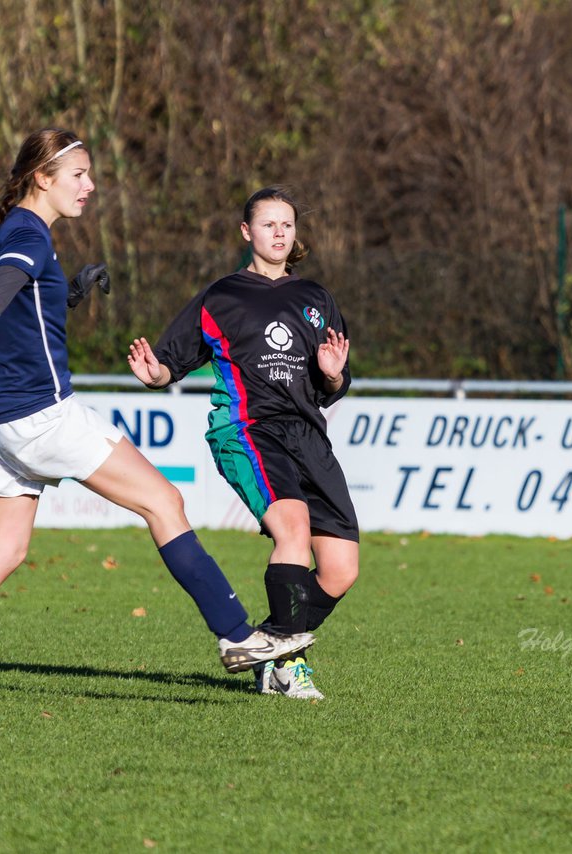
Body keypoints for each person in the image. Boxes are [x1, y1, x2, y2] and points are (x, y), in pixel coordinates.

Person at [0, 130, 313, 704]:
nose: (90, 185)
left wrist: (70, 293)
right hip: (41, 417)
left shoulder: (16, 231)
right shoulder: (28, 234)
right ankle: (238, 639)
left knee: (1, 553)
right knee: (164, 502)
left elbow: (18, 304)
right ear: (43, 177)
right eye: (79, 174)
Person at [127, 186, 359, 700]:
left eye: (288, 225)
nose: (280, 233)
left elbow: (334, 386)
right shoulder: (222, 296)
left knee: (341, 569)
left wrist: (333, 375)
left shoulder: (316, 298)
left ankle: (265, 645)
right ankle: (288, 669)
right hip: (248, 429)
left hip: (307, 435)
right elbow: (173, 358)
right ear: (246, 232)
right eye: (269, 224)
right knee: (292, 531)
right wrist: (157, 373)